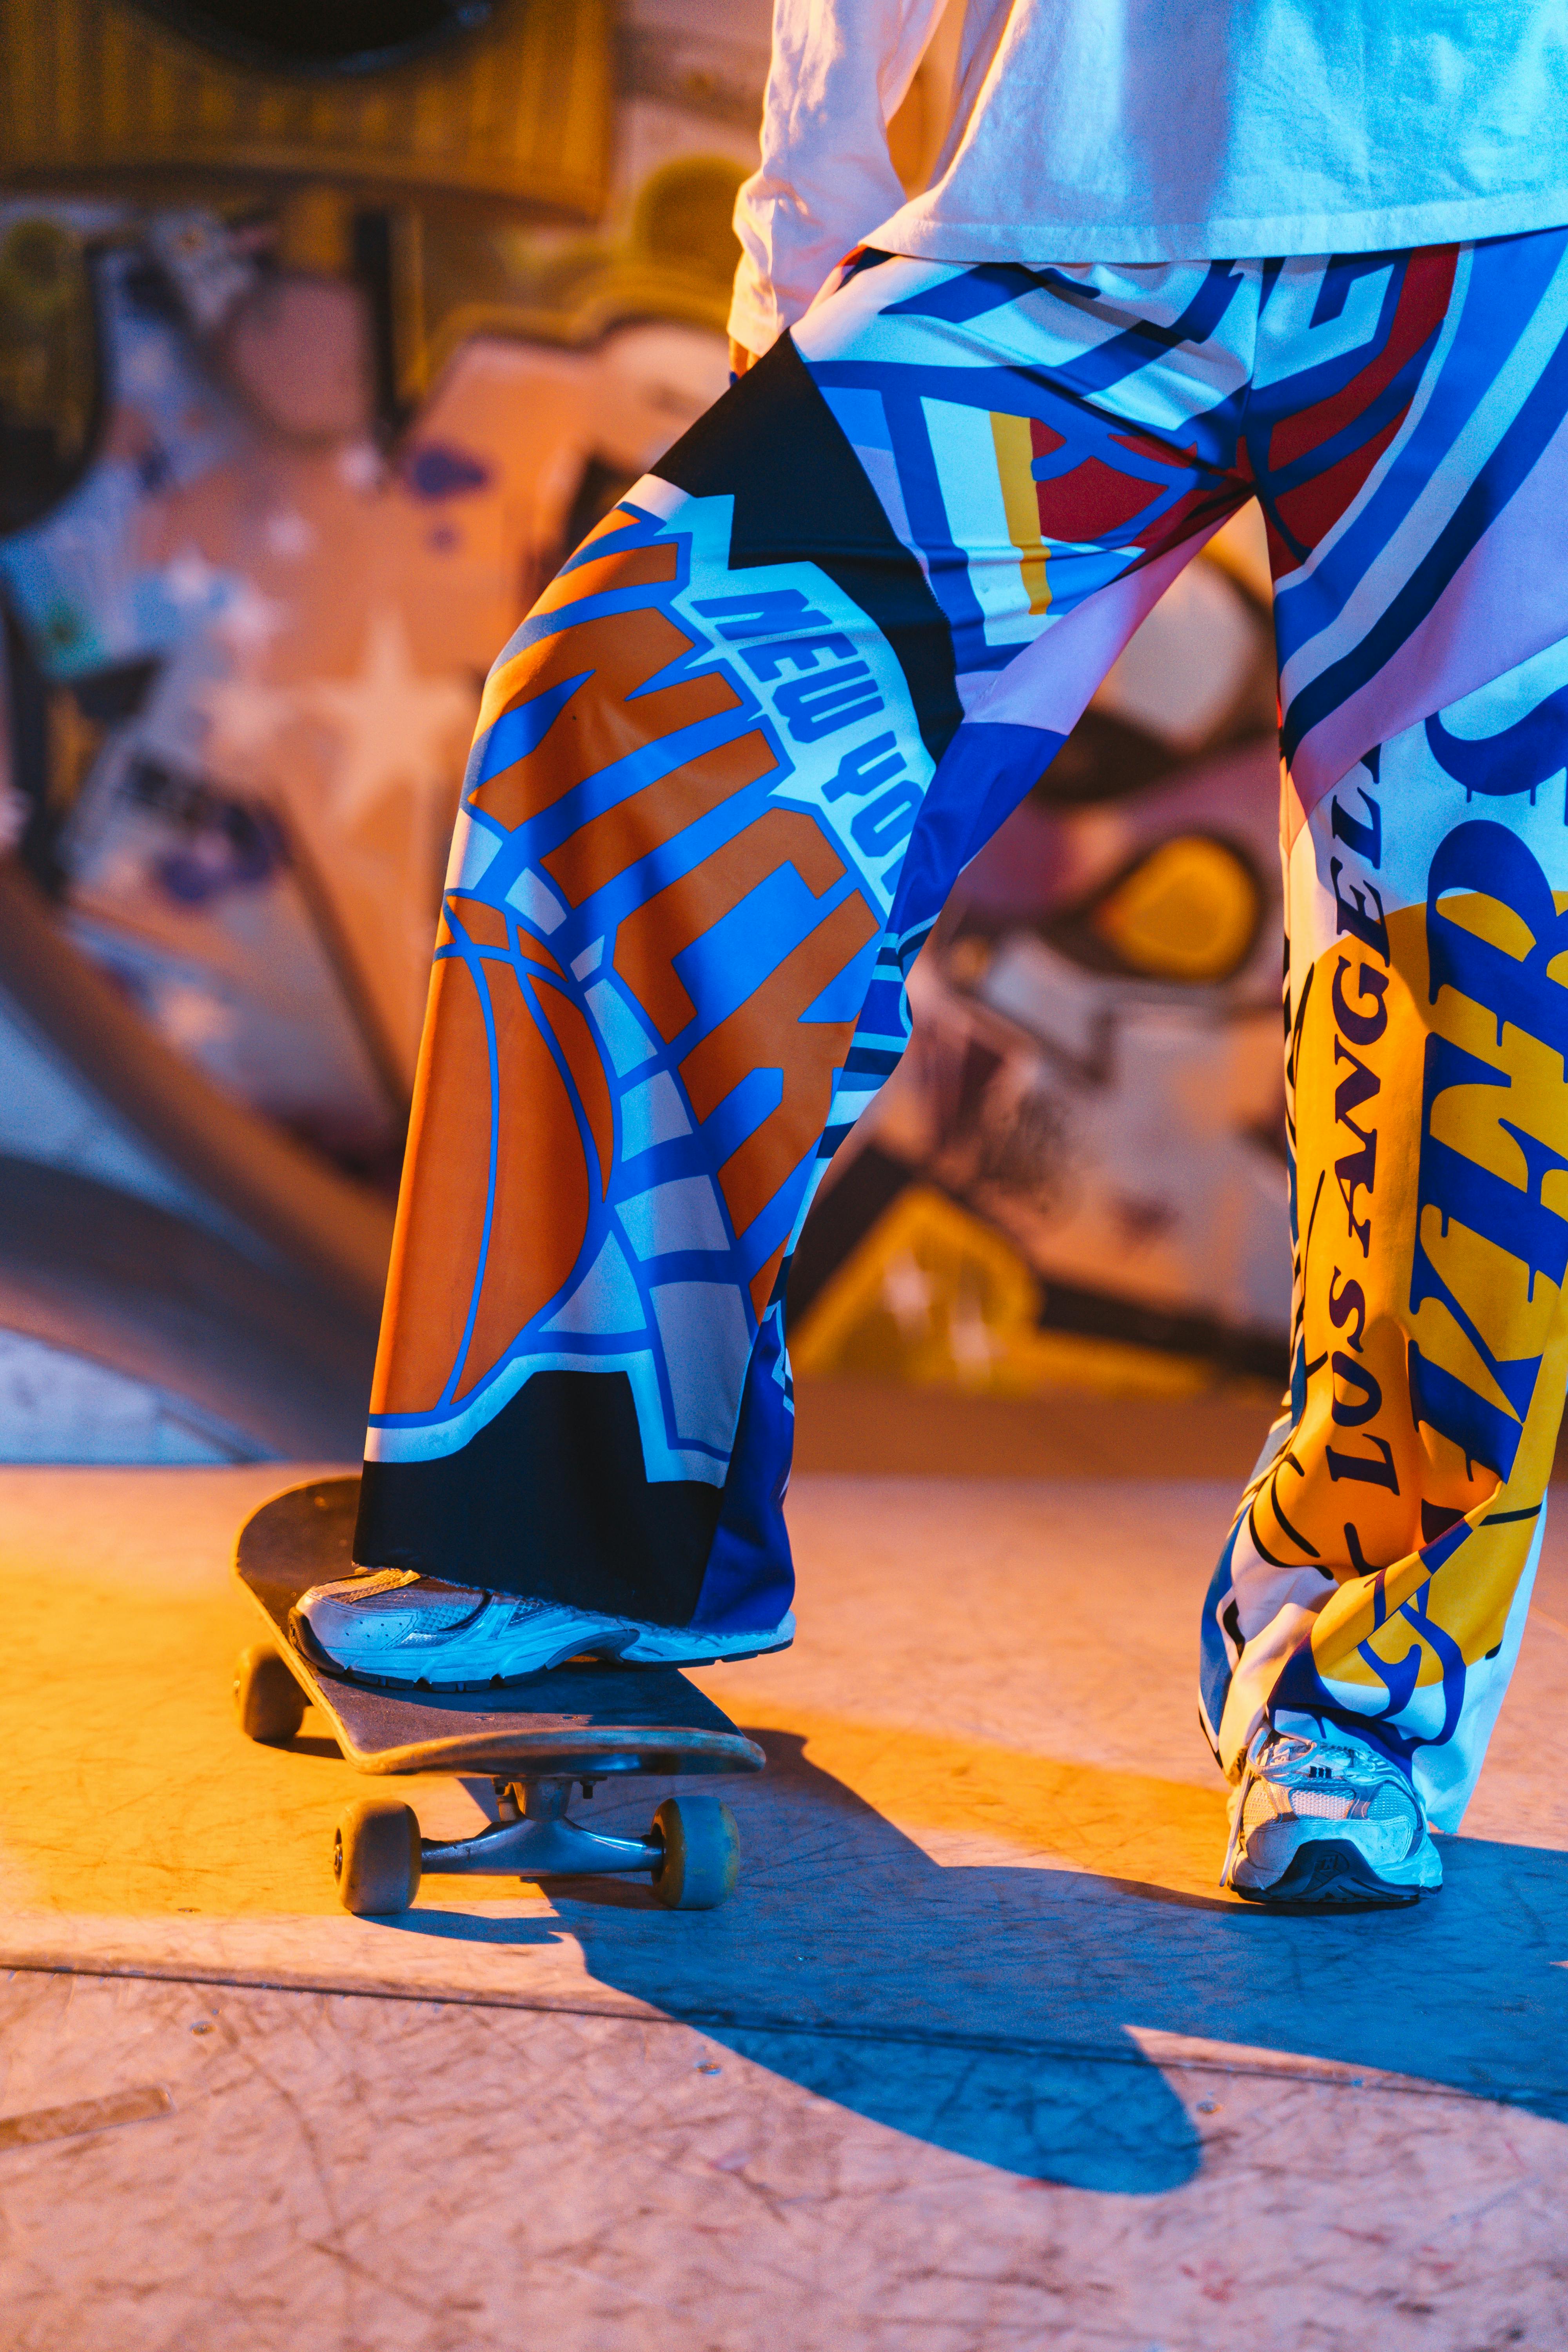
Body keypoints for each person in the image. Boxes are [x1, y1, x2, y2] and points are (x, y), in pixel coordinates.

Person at [295, 0, 1568, 1908]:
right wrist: (809, 214)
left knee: (1481, 949)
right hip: (1047, 205)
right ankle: (576, 1522)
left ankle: (1361, 1680)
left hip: (1511, 211)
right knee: (651, 693)